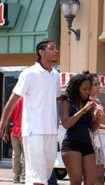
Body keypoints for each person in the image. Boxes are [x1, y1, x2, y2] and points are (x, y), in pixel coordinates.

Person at [0, 39, 62, 185]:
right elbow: (13, 99)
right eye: (52, 48)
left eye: (56, 48)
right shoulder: (29, 73)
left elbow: (58, 97)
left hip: (51, 131)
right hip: (33, 131)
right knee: (38, 177)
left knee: (44, 175)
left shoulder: (55, 75)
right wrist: (3, 122)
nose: (56, 51)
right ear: (41, 52)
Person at [60, 74, 104, 185]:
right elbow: (66, 124)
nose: (87, 92)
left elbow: (92, 128)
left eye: (89, 89)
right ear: (76, 88)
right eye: (84, 89)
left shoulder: (90, 103)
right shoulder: (67, 102)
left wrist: (98, 118)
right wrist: (83, 110)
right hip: (71, 144)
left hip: (87, 144)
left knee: (91, 182)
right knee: (76, 181)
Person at [83, 71, 105, 185]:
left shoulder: (97, 101)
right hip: (88, 139)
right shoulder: (86, 102)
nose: (99, 87)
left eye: (99, 84)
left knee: (100, 174)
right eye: (95, 84)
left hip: (96, 138)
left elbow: (96, 124)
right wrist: (97, 117)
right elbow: (89, 125)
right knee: (93, 177)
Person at [2, 97, 25, 183]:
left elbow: (8, 117)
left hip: (14, 131)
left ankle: (16, 176)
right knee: (25, 155)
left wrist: (5, 132)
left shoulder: (13, 101)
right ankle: (24, 176)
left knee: (16, 155)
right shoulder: (27, 99)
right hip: (25, 131)